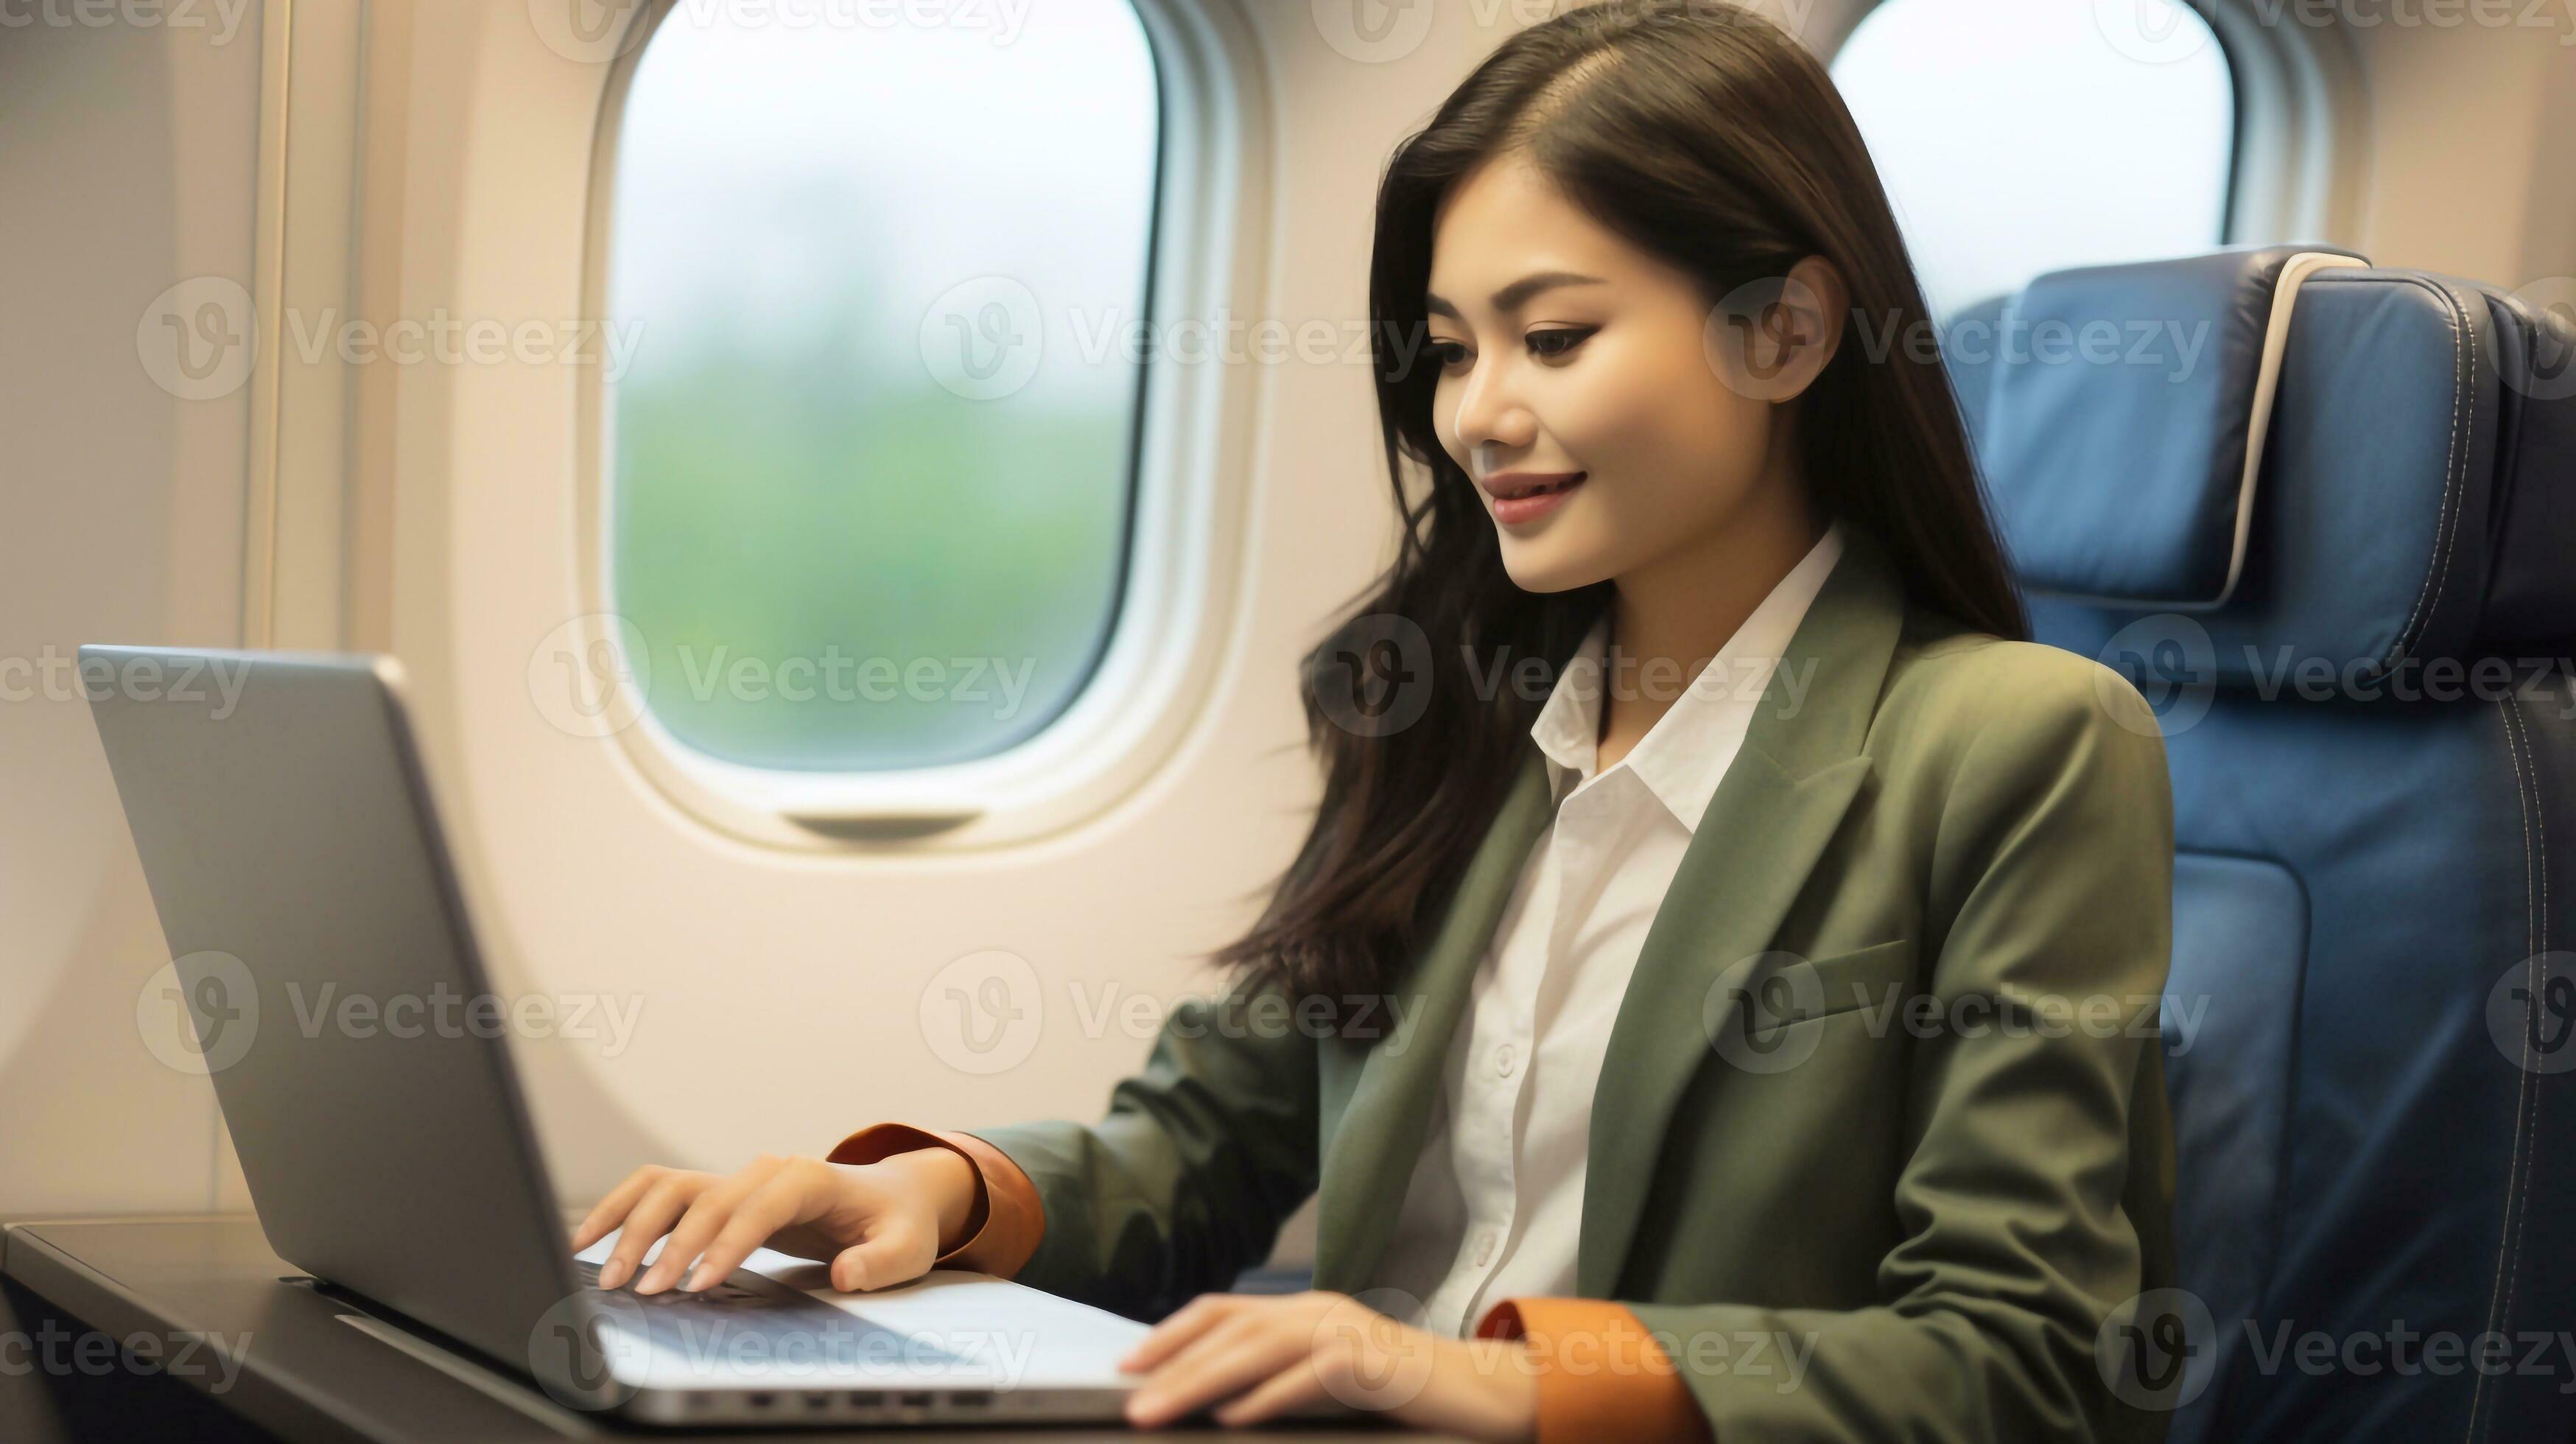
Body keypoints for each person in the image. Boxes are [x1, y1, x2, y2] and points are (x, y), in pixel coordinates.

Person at [574, 3, 2177, 1438]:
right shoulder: (1458, 713)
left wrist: (1486, 1376)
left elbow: (2017, 1360)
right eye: (1452, 351)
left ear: (1785, 331)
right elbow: (1199, 1147)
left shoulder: (2021, 746)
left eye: (1554, 338)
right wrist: (929, 1192)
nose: (1477, 413)